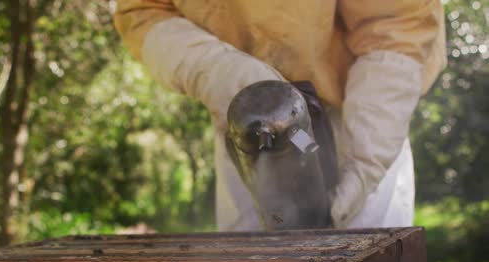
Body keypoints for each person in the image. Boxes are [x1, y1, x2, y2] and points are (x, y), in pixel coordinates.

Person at [113, 1, 446, 231]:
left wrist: (365, 159)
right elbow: (143, 12)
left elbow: (397, 23)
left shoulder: (352, 136)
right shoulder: (243, 100)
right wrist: (216, 70)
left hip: (360, 113)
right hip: (243, 115)